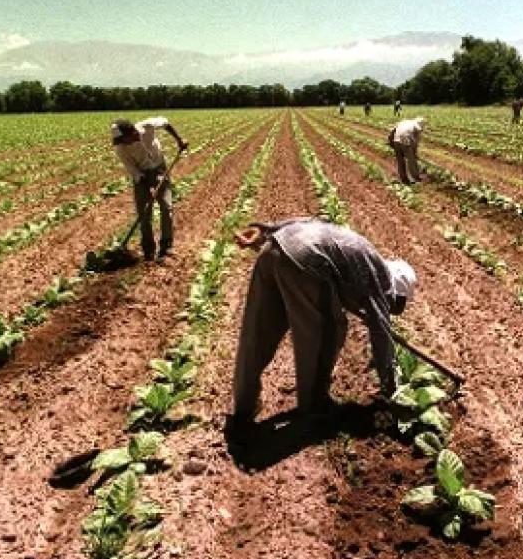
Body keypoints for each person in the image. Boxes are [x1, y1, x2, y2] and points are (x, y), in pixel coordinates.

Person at [228, 218, 417, 429]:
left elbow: (313, 222)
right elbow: (381, 332)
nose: (395, 309)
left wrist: (266, 231)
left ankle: (244, 406)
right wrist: (392, 388)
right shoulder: (380, 278)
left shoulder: (362, 255)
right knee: (329, 331)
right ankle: (315, 404)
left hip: (274, 248)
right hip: (305, 262)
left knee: (258, 333)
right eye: (398, 304)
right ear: (397, 291)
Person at [111, 116, 188, 261]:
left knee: (166, 207)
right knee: (144, 213)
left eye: (123, 139)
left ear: (131, 132)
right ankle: (148, 249)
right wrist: (148, 184)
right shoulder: (121, 148)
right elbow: (132, 170)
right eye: (120, 141)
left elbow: (166, 122)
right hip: (141, 175)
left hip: (159, 169)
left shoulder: (146, 127)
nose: (123, 143)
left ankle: (166, 247)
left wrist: (179, 140)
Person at [387, 116, 426, 184]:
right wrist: (414, 153)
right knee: (411, 160)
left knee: (400, 160)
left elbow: (392, 131)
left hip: (396, 140)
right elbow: (416, 141)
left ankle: (403, 178)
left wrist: (390, 141)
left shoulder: (404, 122)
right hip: (406, 141)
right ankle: (415, 177)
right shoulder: (416, 127)